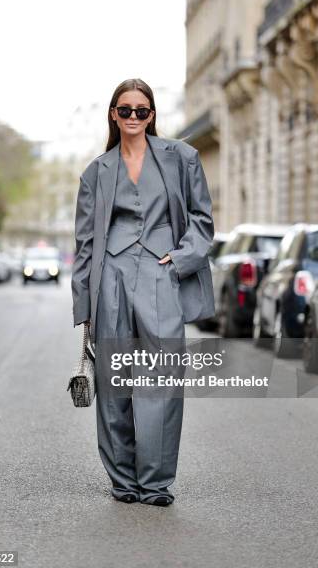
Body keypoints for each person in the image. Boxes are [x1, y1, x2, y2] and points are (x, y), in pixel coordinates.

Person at [71, 78, 215, 506]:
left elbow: (203, 221)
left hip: (160, 274)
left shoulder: (182, 158)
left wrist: (181, 258)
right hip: (110, 276)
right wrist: (84, 303)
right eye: (125, 109)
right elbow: (84, 243)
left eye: (142, 110)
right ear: (113, 115)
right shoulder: (97, 171)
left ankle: (154, 483)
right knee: (115, 382)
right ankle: (123, 481)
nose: (134, 117)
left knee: (162, 378)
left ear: (152, 115)